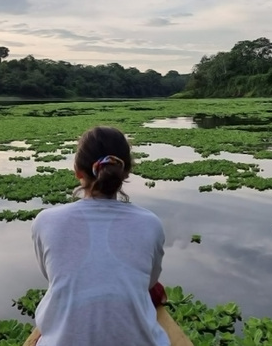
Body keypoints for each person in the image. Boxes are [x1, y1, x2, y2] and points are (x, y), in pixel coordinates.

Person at [30, 126, 171, 346]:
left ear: (77, 171)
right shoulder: (150, 223)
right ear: (125, 173)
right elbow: (150, 282)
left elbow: (52, 276)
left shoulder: (45, 221)